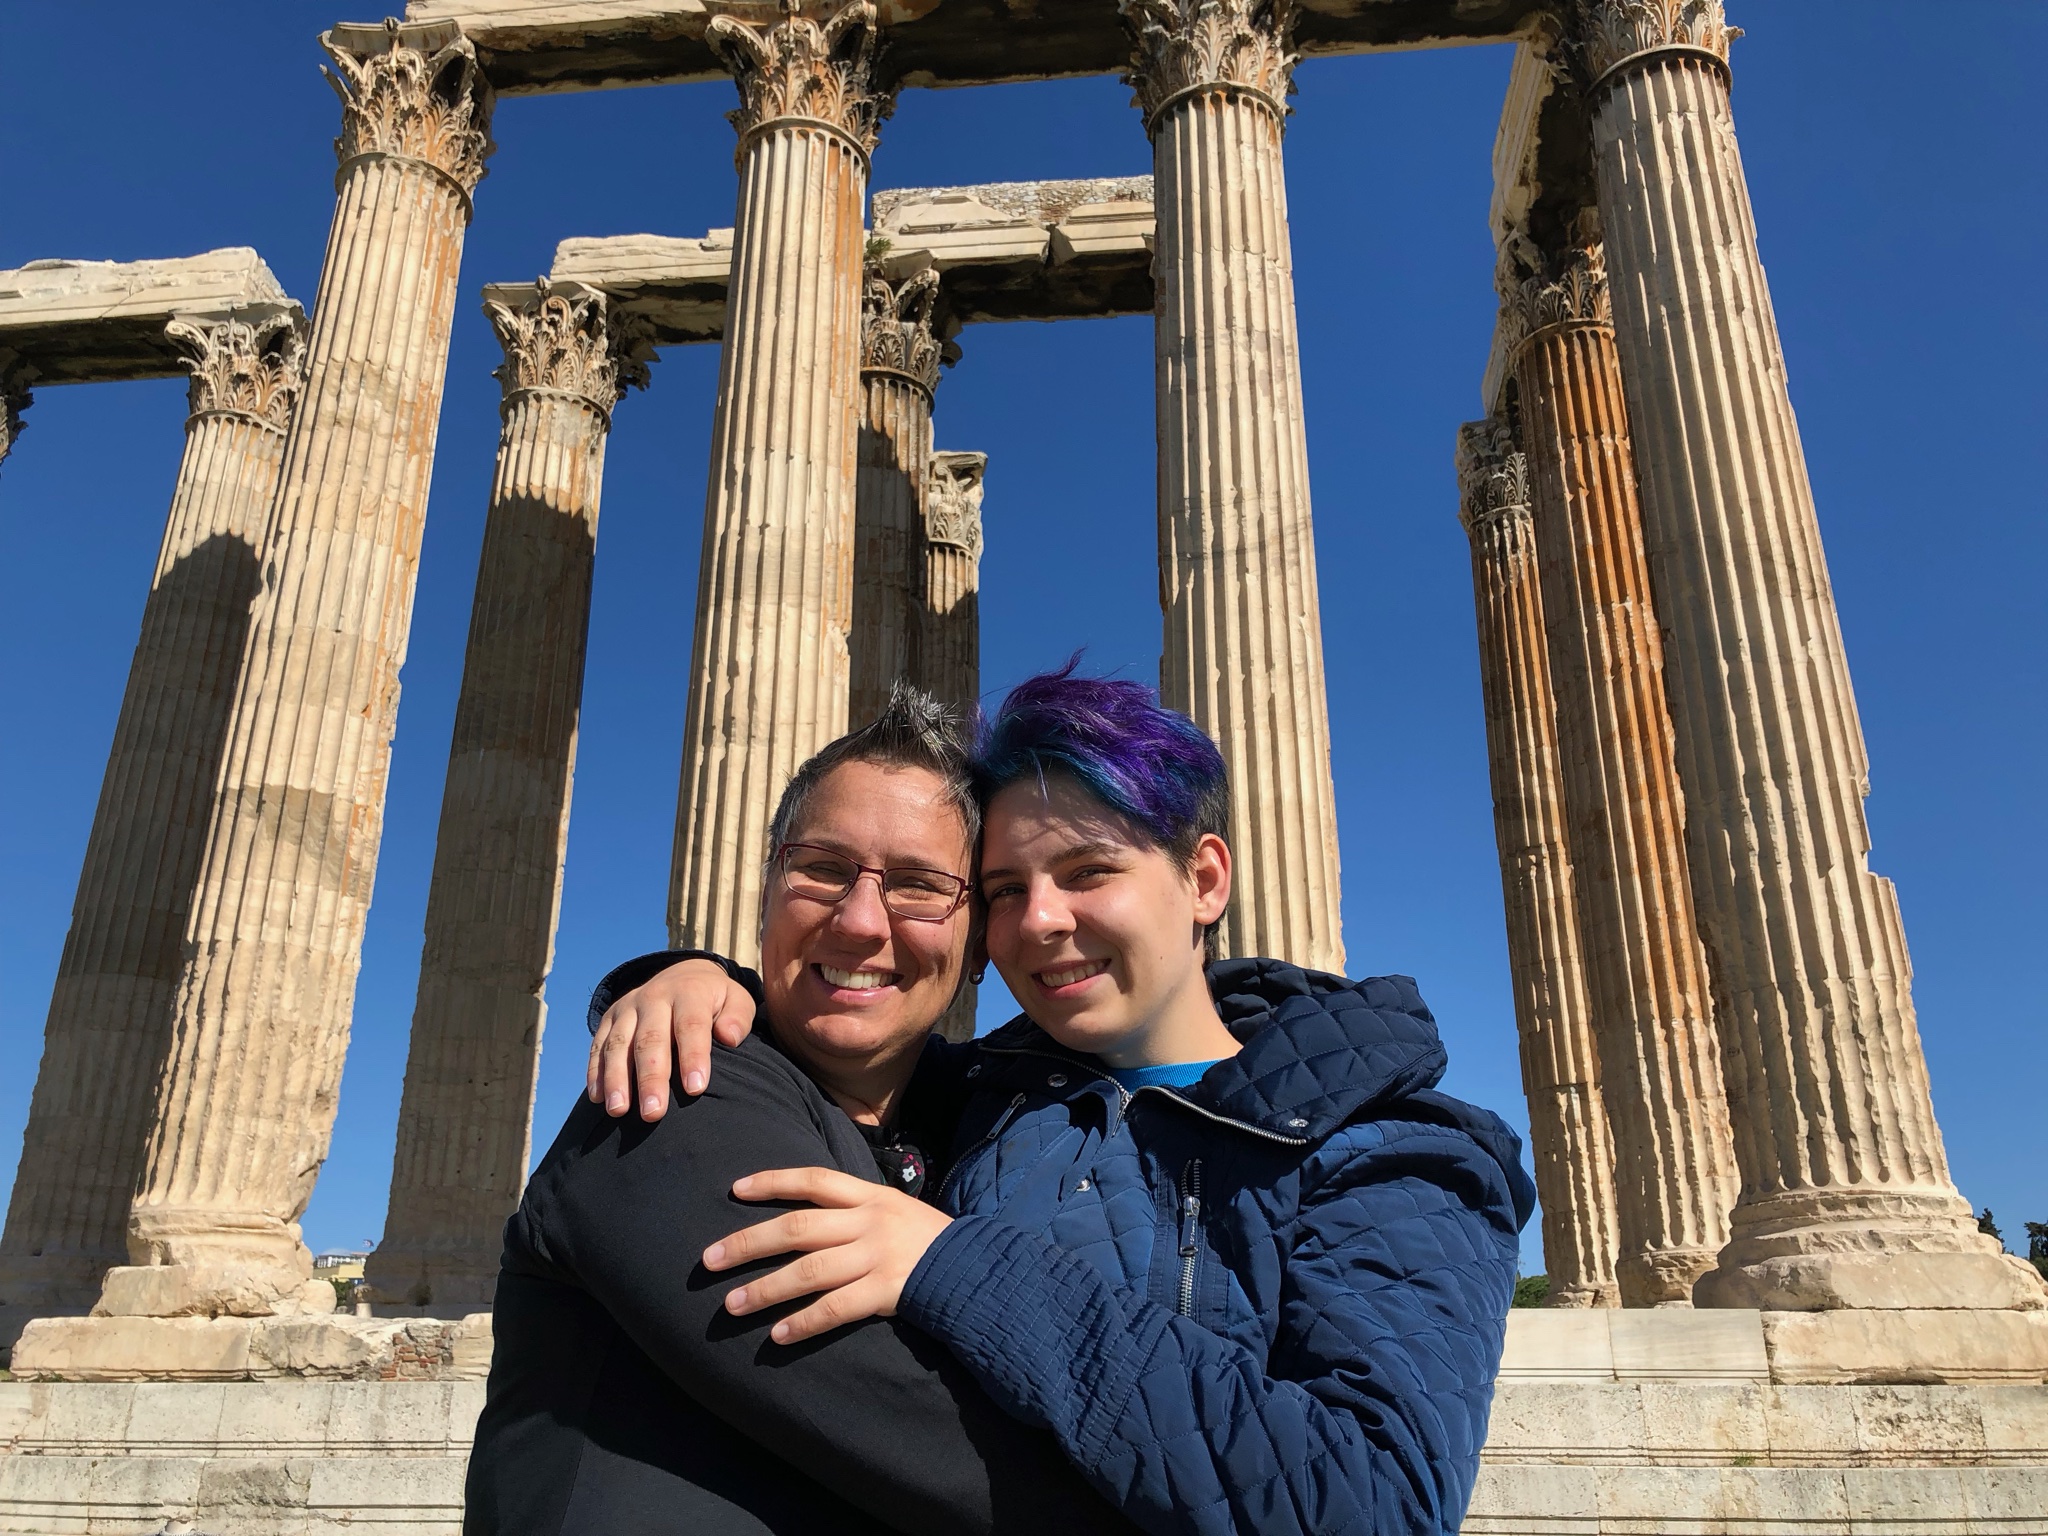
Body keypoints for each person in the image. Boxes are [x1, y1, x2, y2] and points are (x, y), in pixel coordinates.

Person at [599, 667, 1537, 1535]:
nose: (1040, 921)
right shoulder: (971, 1097)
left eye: (1088, 872)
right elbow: (839, 1021)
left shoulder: (1395, 1146)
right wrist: (689, 981)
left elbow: (1375, 1504)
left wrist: (960, 1267)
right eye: (1005, 890)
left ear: (1203, 879)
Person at [463, 686, 1132, 1535]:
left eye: (921, 886)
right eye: (821, 868)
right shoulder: (673, 1091)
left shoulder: (979, 1127)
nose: (859, 922)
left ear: (978, 951)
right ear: (771, 888)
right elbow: (942, 1442)